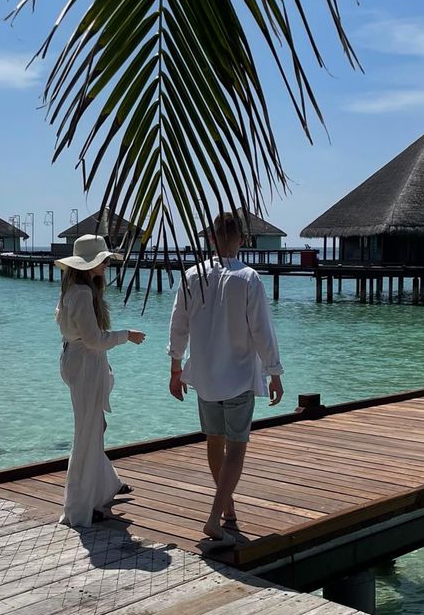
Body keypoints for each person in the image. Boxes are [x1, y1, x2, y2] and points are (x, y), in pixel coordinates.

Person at [168, 212, 284, 546]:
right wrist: (274, 372)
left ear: (211, 239)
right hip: (239, 376)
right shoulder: (248, 278)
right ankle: (214, 517)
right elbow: (262, 330)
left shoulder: (191, 275)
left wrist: (175, 370)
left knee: (214, 441)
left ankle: (227, 505)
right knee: (236, 446)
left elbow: (178, 325)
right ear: (242, 239)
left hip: (204, 377)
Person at [55, 234, 145, 527]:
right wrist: (125, 336)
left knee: (94, 428)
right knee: (87, 434)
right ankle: (79, 507)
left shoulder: (77, 288)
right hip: (84, 364)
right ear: (89, 264)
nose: (107, 264)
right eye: (103, 260)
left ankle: (103, 488)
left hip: (79, 361)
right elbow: (93, 339)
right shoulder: (81, 293)